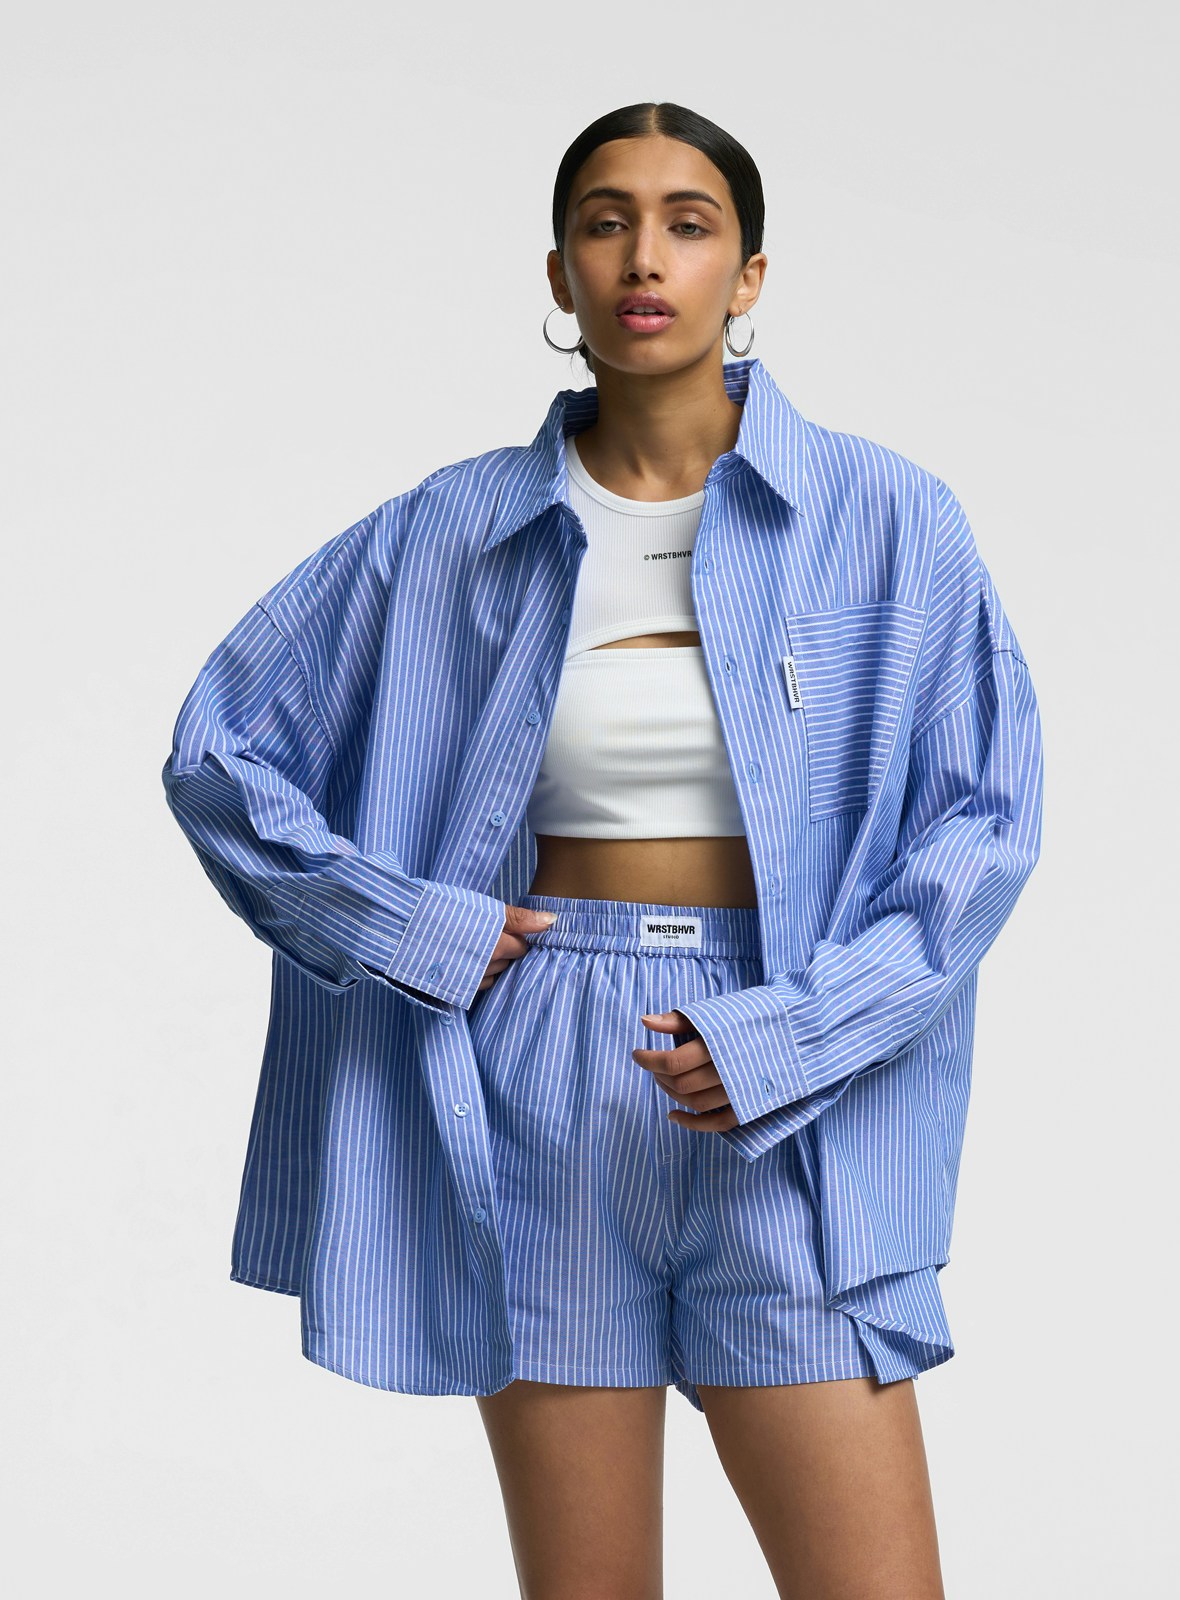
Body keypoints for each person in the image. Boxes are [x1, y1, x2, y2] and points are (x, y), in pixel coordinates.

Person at [163, 100, 1043, 1600]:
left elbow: (986, 824)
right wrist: (418, 930)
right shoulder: (448, 529)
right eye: (604, 222)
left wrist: (792, 1036)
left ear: (747, 274)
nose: (645, 258)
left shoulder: (888, 519)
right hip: (536, 1067)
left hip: (787, 1079)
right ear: (560, 273)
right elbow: (220, 754)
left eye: (688, 225)